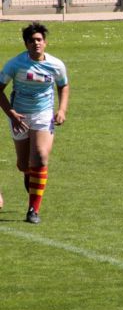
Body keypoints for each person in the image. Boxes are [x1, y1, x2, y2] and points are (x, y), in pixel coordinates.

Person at [0, 22, 69, 224]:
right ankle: (29, 175)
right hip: (19, 115)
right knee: (24, 165)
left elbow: (63, 86)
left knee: (39, 156)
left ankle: (33, 210)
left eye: (39, 40)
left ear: (45, 43)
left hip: (43, 114)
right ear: (26, 44)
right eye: (32, 41)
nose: (36, 43)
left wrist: (62, 110)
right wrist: (11, 113)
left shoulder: (56, 65)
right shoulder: (15, 64)